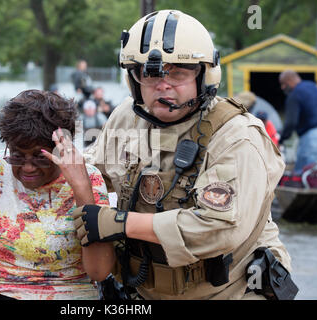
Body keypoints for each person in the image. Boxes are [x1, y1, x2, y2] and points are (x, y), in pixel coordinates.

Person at [73, 10, 296, 300]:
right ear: (134, 79)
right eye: (149, 74)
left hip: (231, 292)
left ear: (204, 75)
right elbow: (93, 173)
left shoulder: (238, 136)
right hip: (145, 290)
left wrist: (119, 223)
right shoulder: (126, 118)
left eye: (177, 71)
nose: (162, 84)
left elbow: (219, 229)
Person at [0, 89, 113, 300]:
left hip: (69, 294)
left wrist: (82, 190)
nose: (28, 167)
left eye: (40, 157)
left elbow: (99, 271)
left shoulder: (90, 179)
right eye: (17, 156)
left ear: (61, 148)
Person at [278, 70, 317, 175]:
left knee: (303, 173)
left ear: (289, 80)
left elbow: (291, 123)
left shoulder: (294, 95)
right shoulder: (312, 86)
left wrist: (282, 139)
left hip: (314, 137)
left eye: (283, 84)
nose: (282, 87)